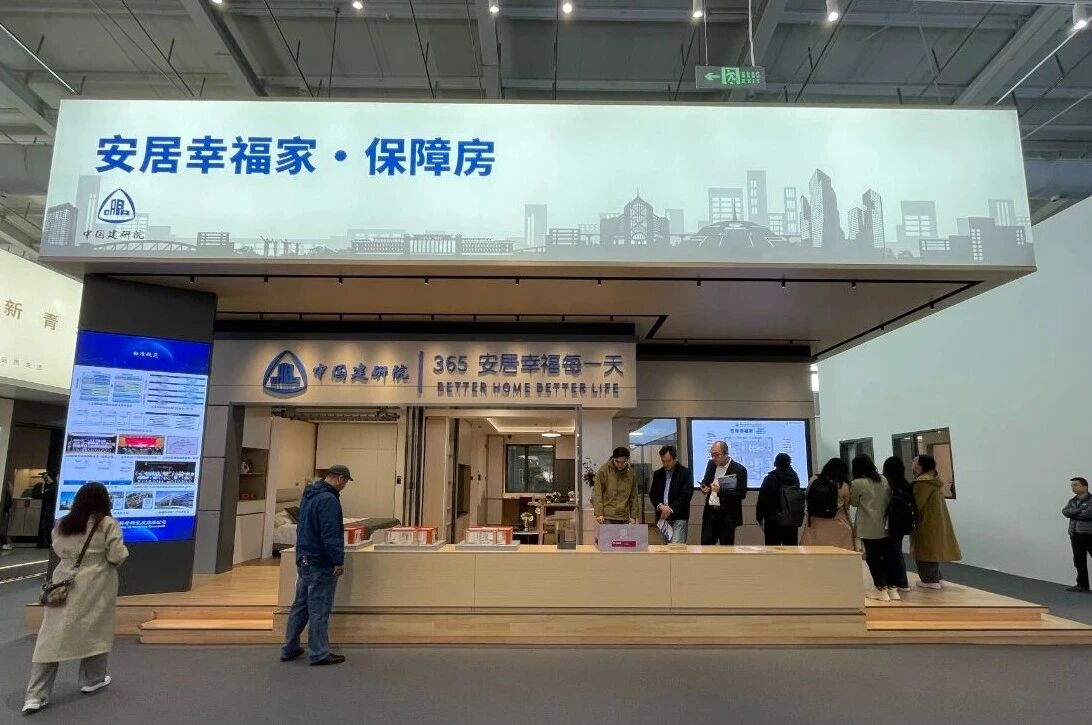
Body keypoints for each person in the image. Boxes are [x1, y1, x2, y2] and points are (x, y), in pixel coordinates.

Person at [24, 482, 128, 714]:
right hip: (96, 585)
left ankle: (35, 695)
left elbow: (57, 547)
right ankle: (92, 679)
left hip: (63, 583)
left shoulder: (63, 523)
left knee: (51, 638)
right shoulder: (108, 524)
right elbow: (116, 555)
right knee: (97, 629)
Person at [281, 464, 352, 666]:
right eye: (345, 482)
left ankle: (289, 647)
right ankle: (319, 652)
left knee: (300, 605)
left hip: (304, 557)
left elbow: (303, 528)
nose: (344, 486)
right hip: (320, 560)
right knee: (319, 607)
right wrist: (337, 560)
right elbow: (330, 533)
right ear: (340, 478)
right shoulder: (328, 500)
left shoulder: (309, 495)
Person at [850, 454, 898, 601]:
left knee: (873, 558)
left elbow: (854, 502)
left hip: (868, 526)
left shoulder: (857, 483)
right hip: (885, 525)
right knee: (888, 557)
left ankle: (880, 588)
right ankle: (892, 588)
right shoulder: (883, 479)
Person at [910, 454, 961, 590]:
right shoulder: (933, 481)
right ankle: (936, 577)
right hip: (935, 522)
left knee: (925, 551)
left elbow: (916, 504)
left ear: (920, 465)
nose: (912, 462)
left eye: (914, 461)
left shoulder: (922, 483)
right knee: (932, 551)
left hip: (925, 522)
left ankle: (929, 580)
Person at [698, 441, 748, 545]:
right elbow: (706, 481)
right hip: (710, 514)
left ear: (726, 453)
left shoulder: (739, 470)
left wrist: (720, 491)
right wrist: (704, 487)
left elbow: (741, 494)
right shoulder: (711, 464)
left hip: (727, 516)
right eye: (712, 455)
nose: (714, 458)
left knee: (726, 549)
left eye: (716, 455)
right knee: (705, 547)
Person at [800, 458, 854, 550]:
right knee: (840, 554)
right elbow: (846, 506)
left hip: (815, 525)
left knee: (815, 553)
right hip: (838, 526)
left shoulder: (814, 479)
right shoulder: (843, 485)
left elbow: (807, 495)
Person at [648, 445, 693, 543]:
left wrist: (670, 508)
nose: (665, 464)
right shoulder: (658, 474)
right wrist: (660, 506)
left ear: (675, 458)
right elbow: (652, 494)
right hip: (663, 518)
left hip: (679, 517)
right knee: (664, 548)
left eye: (668, 461)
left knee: (675, 547)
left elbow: (686, 495)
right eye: (663, 461)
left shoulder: (685, 473)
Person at [755, 453, 801, 545]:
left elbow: (762, 500)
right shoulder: (795, 478)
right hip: (790, 520)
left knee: (772, 549)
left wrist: (759, 517)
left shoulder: (770, 478)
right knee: (790, 549)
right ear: (789, 463)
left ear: (775, 463)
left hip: (773, 520)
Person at [882, 457, 913, 592]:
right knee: (897, 551)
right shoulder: (906, 484)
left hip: (890, 523)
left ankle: (895, 582)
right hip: (902, 523)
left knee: (890, 552)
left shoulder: (888, 485)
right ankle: (901, 581)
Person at [592, 447, 639, 525]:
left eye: (623, 462)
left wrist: (633, 516)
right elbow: (597, 493)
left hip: (624, 516)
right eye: (617, 461)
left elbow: (633, 496)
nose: (620, 465)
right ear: (613, 458)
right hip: (607, 516)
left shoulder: (631, 474)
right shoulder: (603, 471)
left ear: (627, 460)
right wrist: (599, 513)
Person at [1062, 476, 1092, 593]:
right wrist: (1080, 510)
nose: (1073, 487)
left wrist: (1073, 513)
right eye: (1072, 485)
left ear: (1084, 486)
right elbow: (1065, 512)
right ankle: (1082, 585)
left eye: (1075, 485)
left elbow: (1088, 514)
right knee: (1079, 560)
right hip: (1074, 534)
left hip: (1088, 534)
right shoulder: (1072, 501)